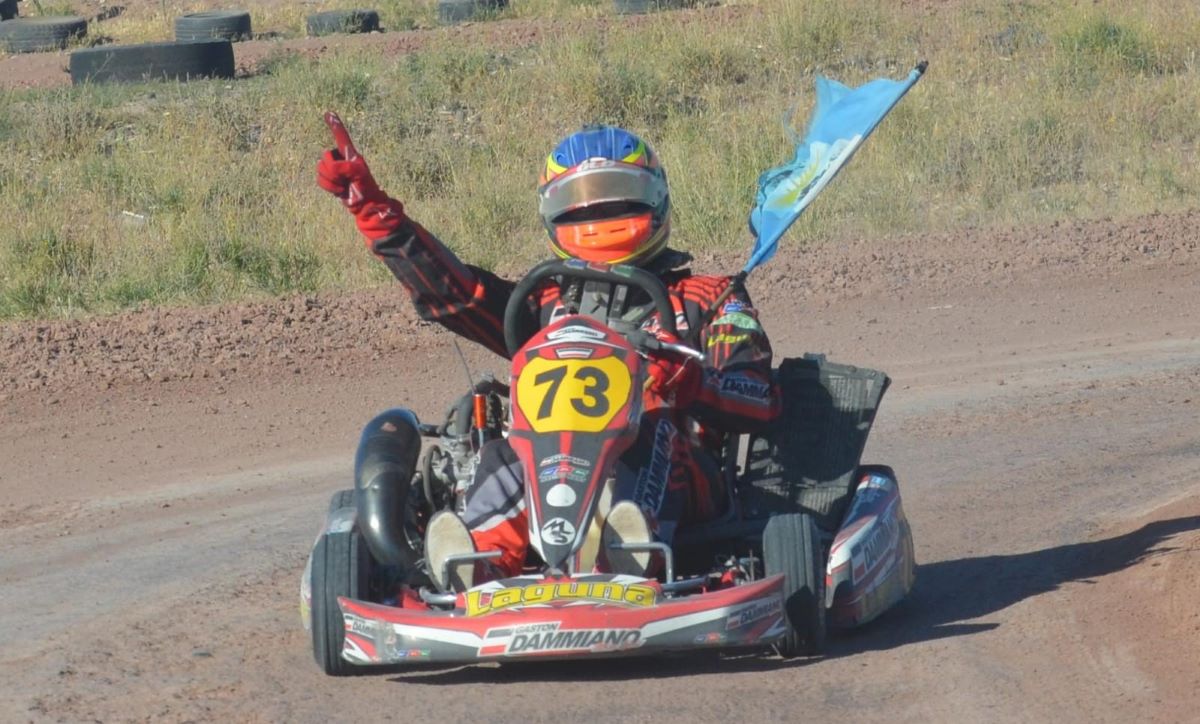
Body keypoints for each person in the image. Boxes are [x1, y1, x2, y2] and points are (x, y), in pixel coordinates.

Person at [317, 124, 780, 589]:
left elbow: (758, 395)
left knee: (652, 434)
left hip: (681, 472)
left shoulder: (709, 297)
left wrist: (690, 380)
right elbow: (455, 294)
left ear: (655, 201)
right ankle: (479, 565)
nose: (598, 213)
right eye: (579, 204)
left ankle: (626, 554)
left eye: (619, 199)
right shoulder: (543, 300)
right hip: (549, 463)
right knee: (501, 454)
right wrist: (372, 209)